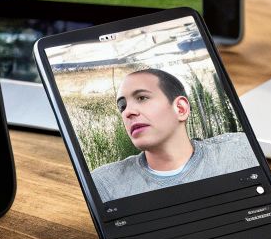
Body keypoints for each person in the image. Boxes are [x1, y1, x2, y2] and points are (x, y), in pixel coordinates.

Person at [88, 68, 256, 201]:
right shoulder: (104, 183)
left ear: (181, 108)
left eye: (142, 98)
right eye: (122, 106)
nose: (127, 112)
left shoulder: (239, 150)